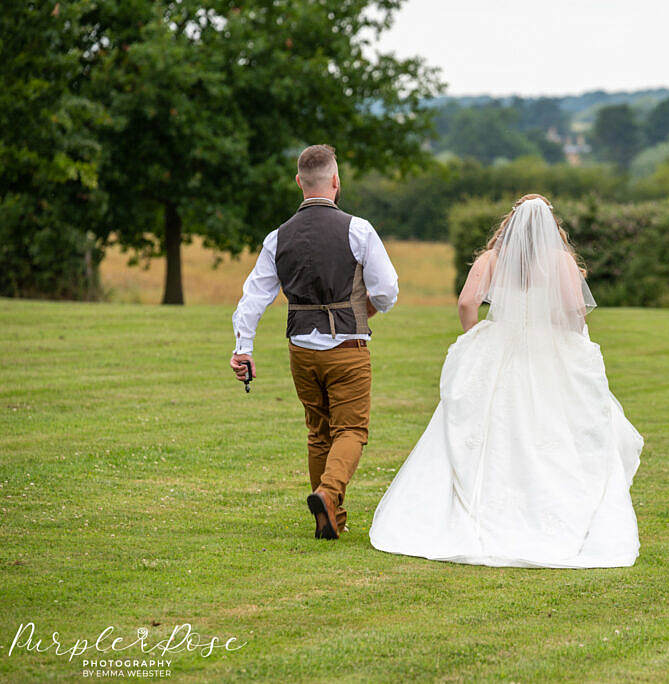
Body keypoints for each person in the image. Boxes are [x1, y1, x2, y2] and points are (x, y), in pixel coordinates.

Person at [369, 194, 642, 568]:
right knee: (555, 429)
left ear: (510, 223)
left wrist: (476, 337)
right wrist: (565, 339)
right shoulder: (561, 261)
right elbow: (576, 312)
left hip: (501, 350)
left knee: (492, 428)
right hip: (549, 352)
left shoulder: (492, 259)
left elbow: (467, 303)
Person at [229, 144, 398, 540]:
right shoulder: (358, 229)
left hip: (301, 350)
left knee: (318, 431)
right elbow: (387, 290)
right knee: (351, 430)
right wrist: (367, 309)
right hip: (347, 348)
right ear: (336, 182)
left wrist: (243, 348)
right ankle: (328, 492)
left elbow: (254, 297)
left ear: (298, 182)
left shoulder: (277, 237)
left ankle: (331, 518)